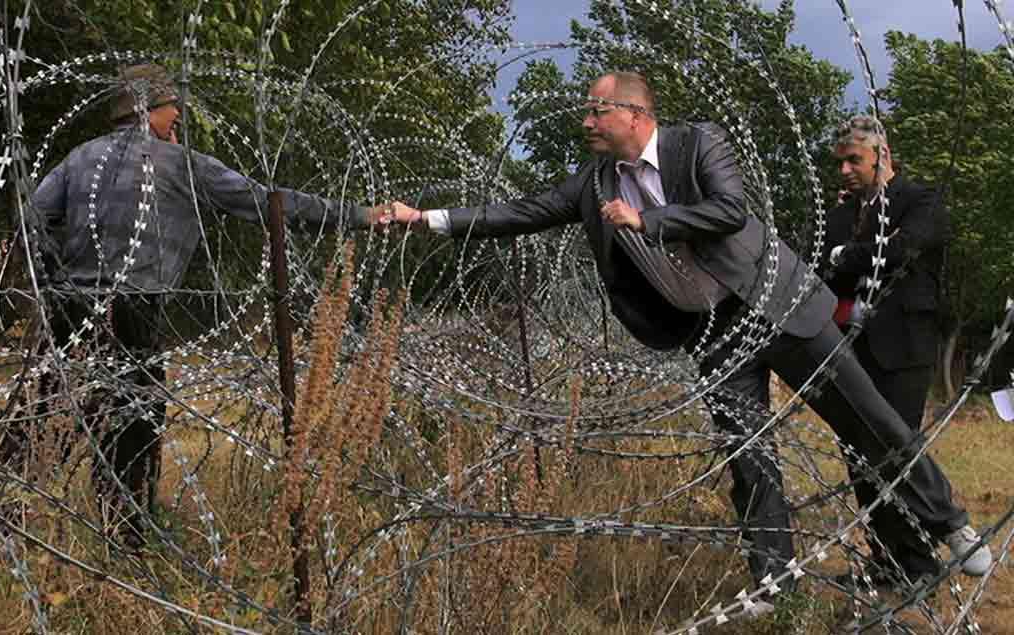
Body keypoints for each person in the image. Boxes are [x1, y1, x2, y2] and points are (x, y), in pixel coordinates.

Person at [378, 71, 991, 611]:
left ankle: (952, 523)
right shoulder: (593, 183)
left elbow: (729, 210)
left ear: (635, 115)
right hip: (713, 328)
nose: (587, 121)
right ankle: (775, 585)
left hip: (775, 303)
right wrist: (426, 219)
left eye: (597, 110)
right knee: (748, 459)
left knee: (868, 420)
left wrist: (650, 221)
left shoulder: (697, 142)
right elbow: (521, 212)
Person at [0, 64, 378, 547]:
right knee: (133, 436)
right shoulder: (182, 164)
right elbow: (271, 205)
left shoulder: (80, 158)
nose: (176, 122)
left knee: (40, 426)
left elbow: (30, 220)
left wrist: (57, 279)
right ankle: (125, 543)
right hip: (136, 312)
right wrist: (363, 215)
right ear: (146, 110)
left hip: (71, 311)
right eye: (171, 111)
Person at [821, 114, 968, 588]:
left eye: (853, 161)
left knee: (894, 449)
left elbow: (903, 253)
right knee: (861, 460)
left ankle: (919, 561)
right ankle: (887, 562)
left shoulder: (920, 200)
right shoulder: (846, 211)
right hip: (853, 344)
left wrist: (849, 254)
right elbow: (827, 263)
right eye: (840, 162)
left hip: (903, 346)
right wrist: (850, 255)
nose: (844, 170)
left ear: (882, 157)